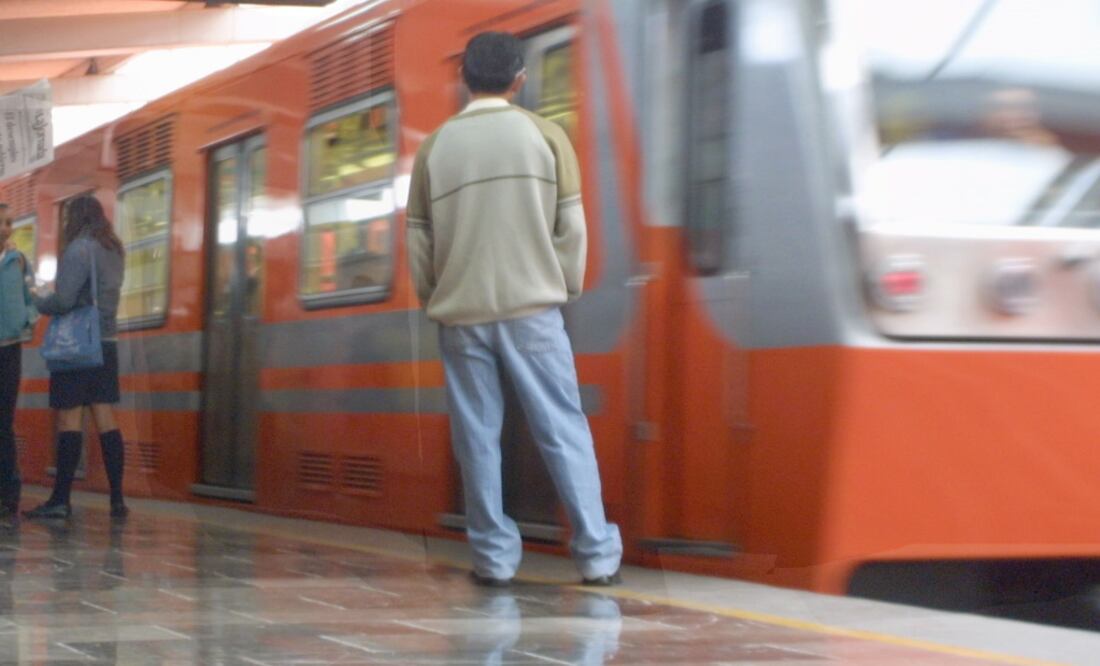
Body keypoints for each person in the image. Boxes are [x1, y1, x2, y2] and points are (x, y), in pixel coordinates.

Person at [407, 32, 622, 586]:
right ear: (519, 80)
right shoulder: (546, 135)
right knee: (561, 426)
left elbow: (419, 241)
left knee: (477, 434)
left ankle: (493, 559)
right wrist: (561, 287)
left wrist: (438, 299)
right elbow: (571, 228)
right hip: (533, 310)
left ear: (464, 79)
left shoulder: (435, 147)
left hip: (462, 313)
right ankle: (596, 554)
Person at [24, 195, 128, 520]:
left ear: (75, 218)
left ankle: (60, 500)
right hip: (105, 343)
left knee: (70, 419)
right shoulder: (114, 249)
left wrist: (38, 298)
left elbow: (65, 301)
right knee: (106, 419)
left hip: (77, 346)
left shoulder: (79, 248)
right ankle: (117, 500)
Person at [0, 203, 36, 517]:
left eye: (9, 222)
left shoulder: (19, 261)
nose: (7, 228)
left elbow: (31, 297)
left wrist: (29, 321)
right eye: (2, 223)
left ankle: (9, 493)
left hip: (10, 348)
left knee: (4, 421)